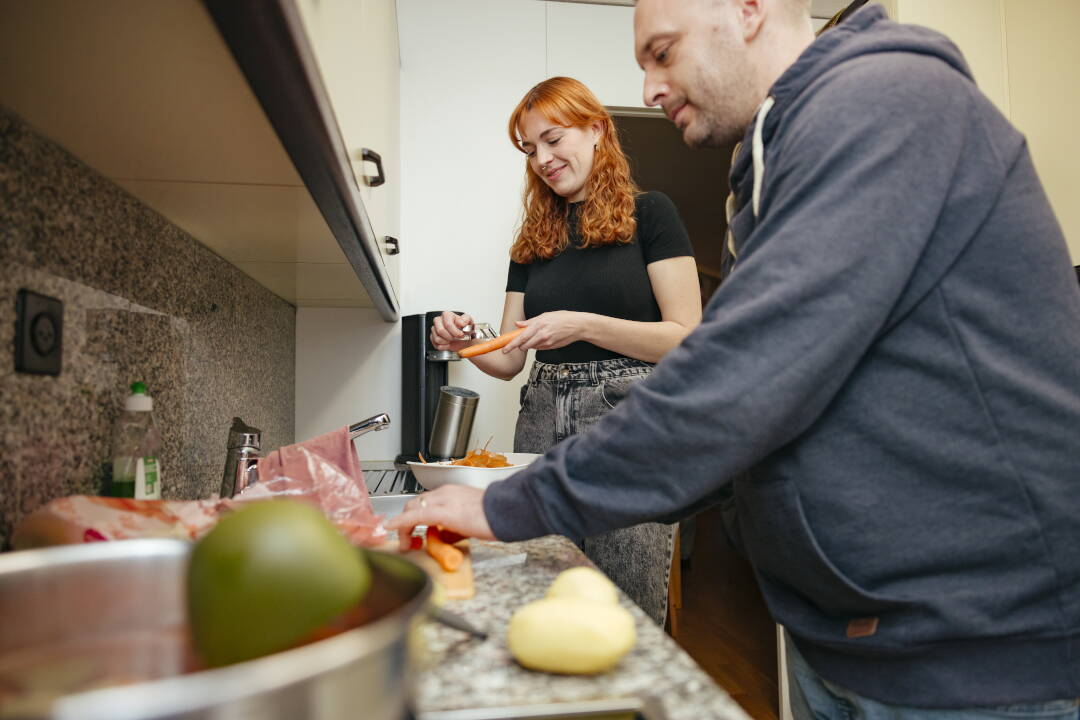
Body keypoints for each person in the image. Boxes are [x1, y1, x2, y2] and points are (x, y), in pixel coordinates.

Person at [391, 0, 1080, 715]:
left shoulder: (890, 104)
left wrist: (517, 501)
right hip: (849, 634)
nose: (651, 91)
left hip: (966, 651)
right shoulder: (767, 172)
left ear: (747, 10)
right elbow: (767, 402)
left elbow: (738, 375)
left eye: (662, 52)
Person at [429, 76, 701, 625]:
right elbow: (508, 360)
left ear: (597, 129)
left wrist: (583, 326)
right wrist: (467, 342)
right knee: (542, 600)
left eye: (553, 139)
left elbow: (686, 339)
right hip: (539, 427)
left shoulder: (651, 215)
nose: (543, 160)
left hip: (631, 427)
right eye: (531, 149)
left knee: (625, 613)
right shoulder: (531, 241)